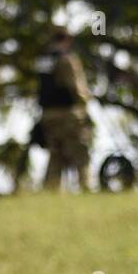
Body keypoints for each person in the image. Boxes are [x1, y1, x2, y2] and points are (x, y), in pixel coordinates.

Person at [36, 27, 94, 192]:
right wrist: (86, 100)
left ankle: (50, 192)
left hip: (48, 115)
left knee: (56, 156)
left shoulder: (44, 60)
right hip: (68, 114)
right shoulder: (67, 59)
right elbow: (76, 88)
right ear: (67, 40)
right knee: (80, 154)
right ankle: (86, 188)